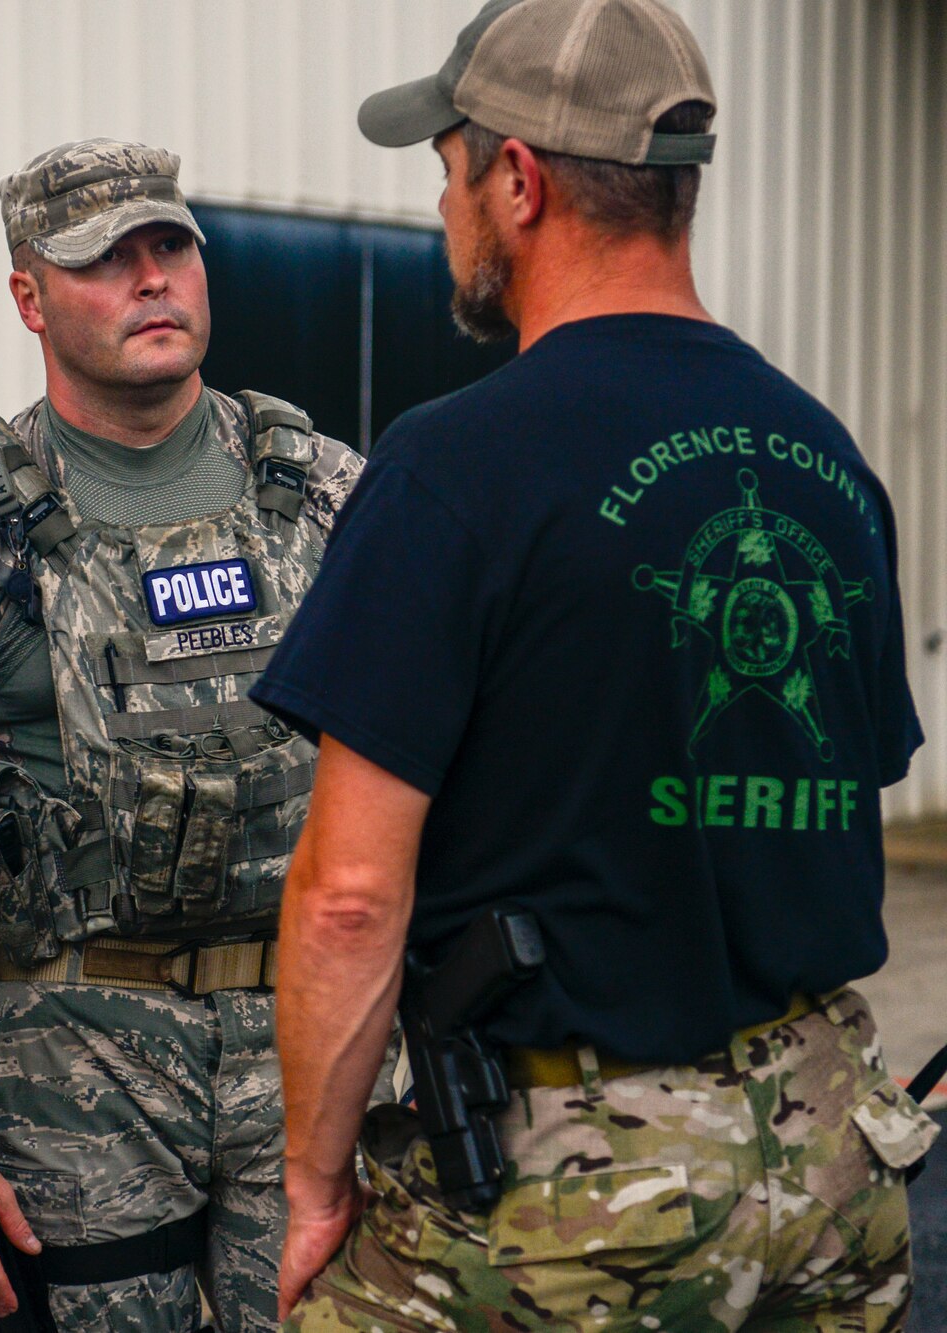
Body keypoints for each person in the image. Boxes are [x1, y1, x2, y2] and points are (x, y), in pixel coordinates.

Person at [251, 1, 940, 1328]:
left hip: (585, 1190)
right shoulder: (829, 464)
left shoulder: (452, 467)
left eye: (447, 168)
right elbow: (842, 782)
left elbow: (346, 898)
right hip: (835, 1158)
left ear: (518, 180)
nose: (445, 206)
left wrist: (314, 1186)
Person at [0, 138, 367, 1333]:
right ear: (27, 296)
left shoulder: (334, 496)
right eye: (102, 260)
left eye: (168, 246)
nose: (149, 280)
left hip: (318, 1052)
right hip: (75, 1071)